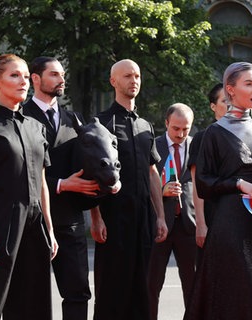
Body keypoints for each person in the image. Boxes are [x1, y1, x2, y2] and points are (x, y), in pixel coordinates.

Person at [0, 54, 59, 319]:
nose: (23, 82)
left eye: (26, 77)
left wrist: (49, 229)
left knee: (32, 307)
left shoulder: (37, 128)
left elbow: (41, 184)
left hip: (34, 228)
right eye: (15, 75)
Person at [183, 62, 252, 319]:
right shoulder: (214, 133)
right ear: (230, 89)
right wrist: (237, 183)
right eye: (249, 83)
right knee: (238, 293)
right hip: (230, 225)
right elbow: (202, 183)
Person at [90, 58, 168, 320]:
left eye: (136, 76)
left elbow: (152, 172)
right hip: (113, 220)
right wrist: (96, 217)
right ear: (113, 81)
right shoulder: (101, 124)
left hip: (143, 219)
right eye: (127, 76)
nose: (133, 81)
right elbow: (93, 176)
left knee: (142, 287)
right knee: (112, 287)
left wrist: (160, 216)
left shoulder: (146, 126)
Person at [23, 56, 98, 320]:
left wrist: (96, 215)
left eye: (62, 74)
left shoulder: (73, 119)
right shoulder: (20, 116)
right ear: (36, 79)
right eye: (54, 74)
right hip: (31, 221)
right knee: (31, 296)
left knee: (78, 292)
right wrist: (60, 185)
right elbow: (19, 172)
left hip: (71, 220)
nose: (61, 79)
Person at [147, 103, 196, 320]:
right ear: (166, 123)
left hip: (189, 226)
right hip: (160, 225)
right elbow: (143, 183)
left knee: (193, 286)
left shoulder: (196, 146)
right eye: (176, 128)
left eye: (186, 129)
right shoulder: (153, 146)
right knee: (151, 284)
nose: (181, 134)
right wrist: (161, 191)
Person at [187, 82, 228, 249]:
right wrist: (201, 223)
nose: (230, 105)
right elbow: (197, 185)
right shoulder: (202, 138)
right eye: (225, 101)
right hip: (213, 214)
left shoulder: (246, 135)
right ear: (213, 106)